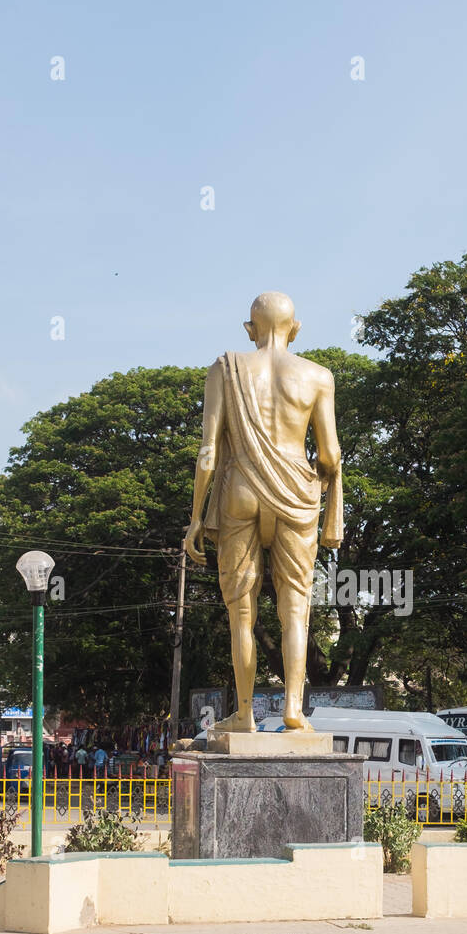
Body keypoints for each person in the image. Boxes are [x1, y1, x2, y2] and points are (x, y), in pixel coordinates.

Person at [183, 292, 343, 733]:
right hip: (297, 490)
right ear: (295, 329)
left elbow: (208, 453)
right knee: (296, 608)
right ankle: (294, 708)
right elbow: (329, 454)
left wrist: (196, 516)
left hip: (240, 490)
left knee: (243, 613)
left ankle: (246, 714)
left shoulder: (225, 368)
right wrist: (327, 483)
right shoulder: (318, 376)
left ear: (250, 331)